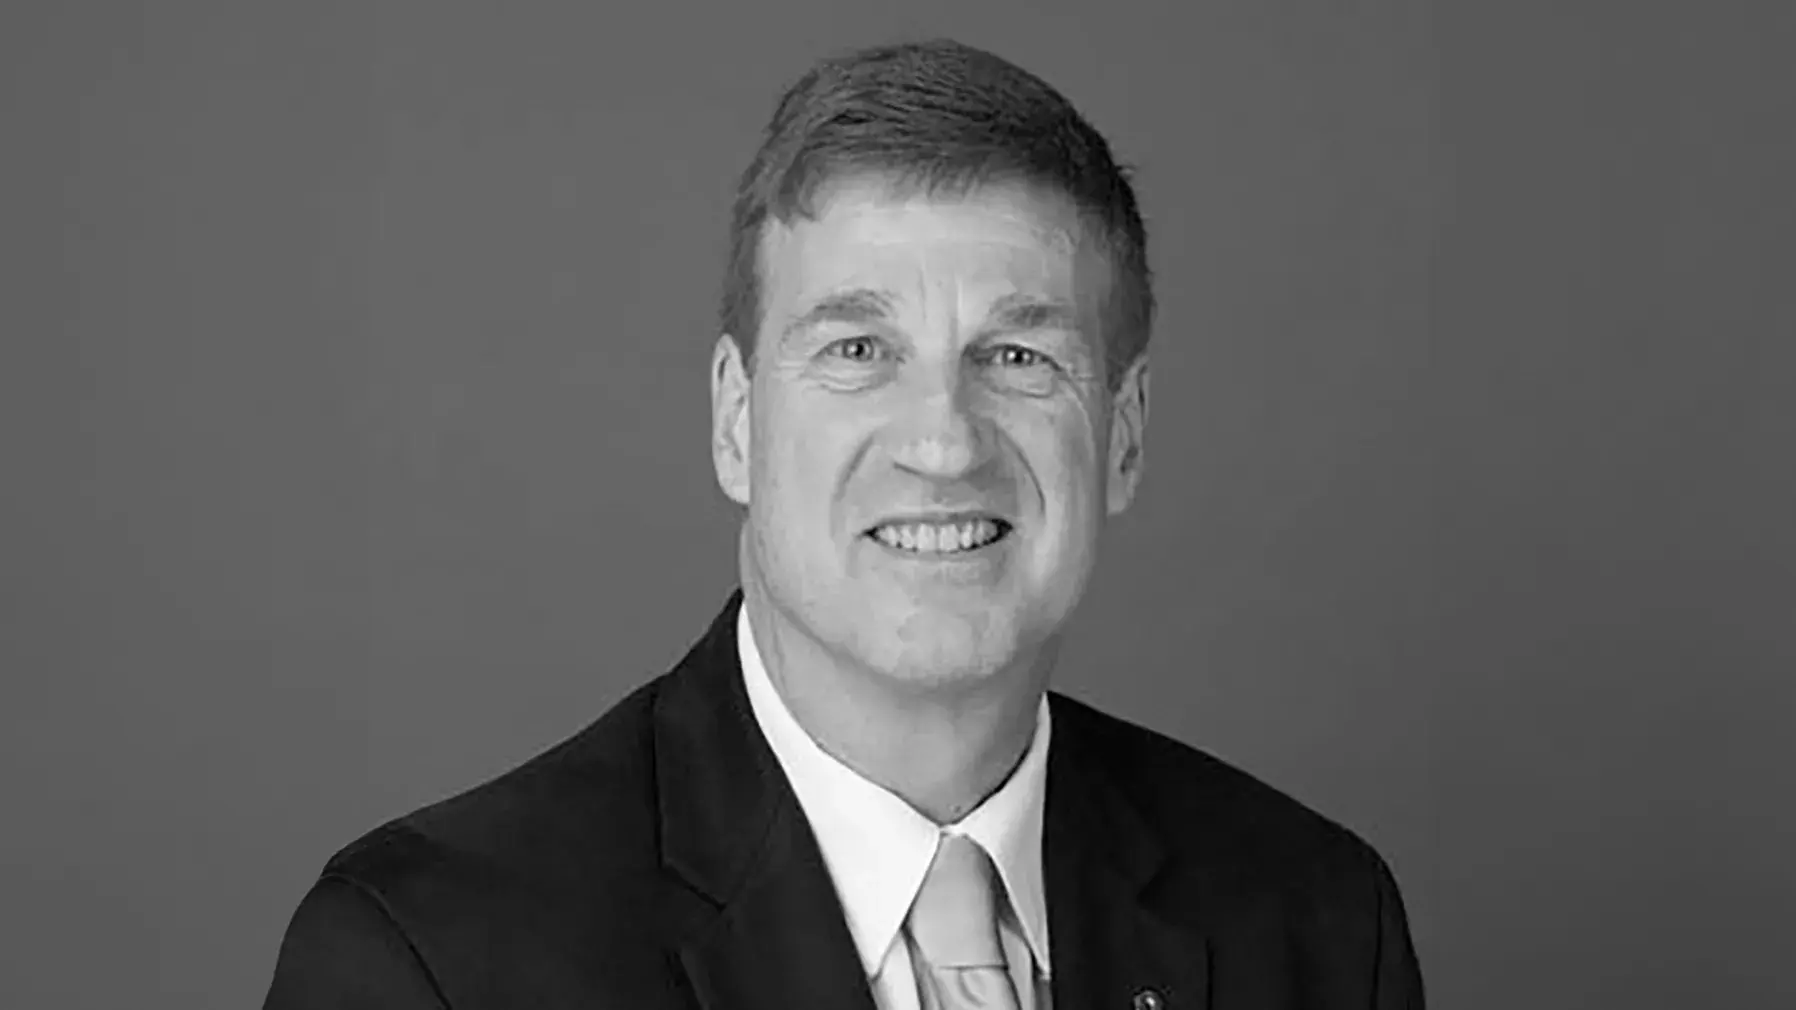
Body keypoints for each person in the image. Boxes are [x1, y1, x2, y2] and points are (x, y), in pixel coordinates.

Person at [262, 37, 1424, 1010]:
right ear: (735, 419)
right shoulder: (431, 959)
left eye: (1017, 356)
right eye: (857, 351)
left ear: (1119, 431)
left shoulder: (1314, 923)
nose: (942, 440)